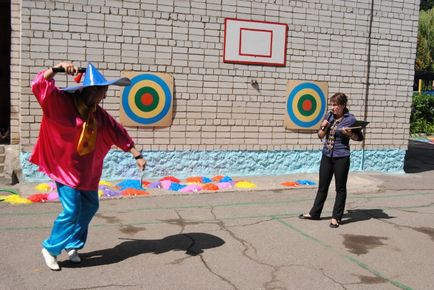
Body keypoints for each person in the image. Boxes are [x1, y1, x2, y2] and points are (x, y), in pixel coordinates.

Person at [31, 62, 147, 271]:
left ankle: (73, 245)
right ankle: (50, 248)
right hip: (65, 169)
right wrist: (56, 69)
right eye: (103, 91)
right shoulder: (61, 103)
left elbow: (116, 130)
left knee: (91, 207)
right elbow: (39, 85)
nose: (104, 96)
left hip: (88, 172)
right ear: (92, 91)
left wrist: (135, 153)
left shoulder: (97, 113)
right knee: (73, 209)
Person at [299, 93, 364, 228]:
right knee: (322, 186)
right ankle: (315, 213)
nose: (333, 107)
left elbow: (359, 138)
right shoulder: (328, 116)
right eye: (332, 104)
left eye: (335, 105)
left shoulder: (350, 119)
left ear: (343, 106)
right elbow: (320, 135)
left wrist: (350, 133)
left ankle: (336, 217)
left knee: (340, 188)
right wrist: (324, 126)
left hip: (342, 157)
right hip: (327, 156)